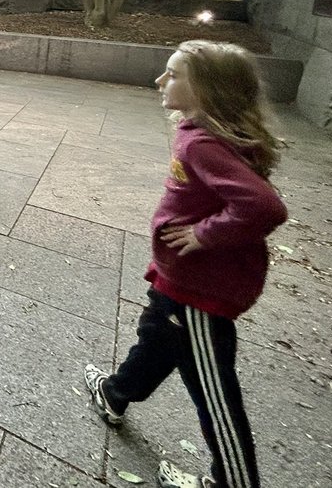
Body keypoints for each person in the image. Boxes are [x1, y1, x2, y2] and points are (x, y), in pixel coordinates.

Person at [84, 41, 287, 488]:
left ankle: (234, 481)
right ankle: (116, 393)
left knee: (212, 390)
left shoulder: (205, 144)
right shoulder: (204, 133)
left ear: (209, 89)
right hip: (179, 281)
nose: (160, 81)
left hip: (201, 293)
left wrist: (203, 233)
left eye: (173, 75)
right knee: (157, 337)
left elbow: (265, 207)